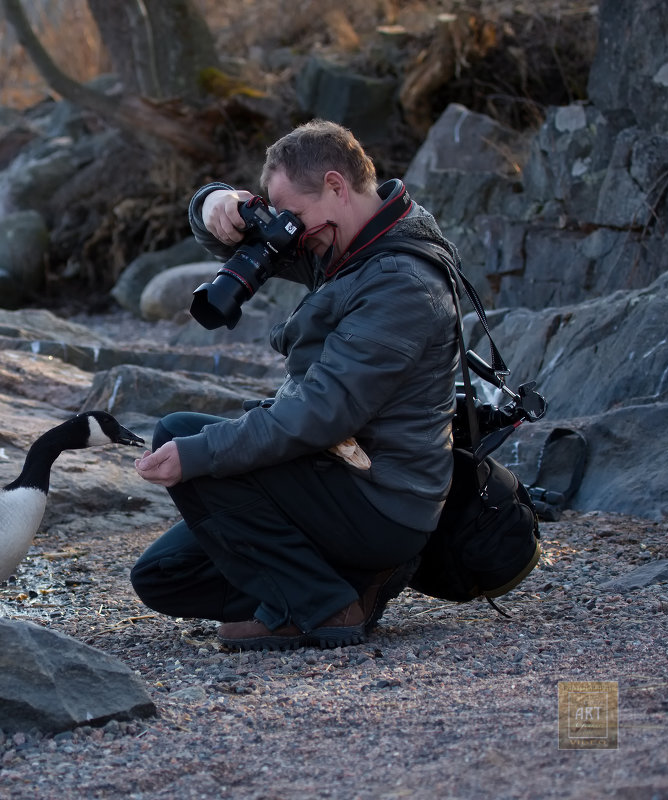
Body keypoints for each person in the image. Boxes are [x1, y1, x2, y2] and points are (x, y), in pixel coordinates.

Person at [130, 119, 461, 651]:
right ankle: (344, 585)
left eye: (296, 217)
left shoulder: (401, 281)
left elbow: (320, 413)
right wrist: (213, 203)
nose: (294, 233)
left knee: (185, 436)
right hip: (337, 474)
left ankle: (322, 606)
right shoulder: (347, 238)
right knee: (163, 575)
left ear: (335, 185)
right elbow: (248, 244)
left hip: (383, 502)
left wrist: (201, 453)